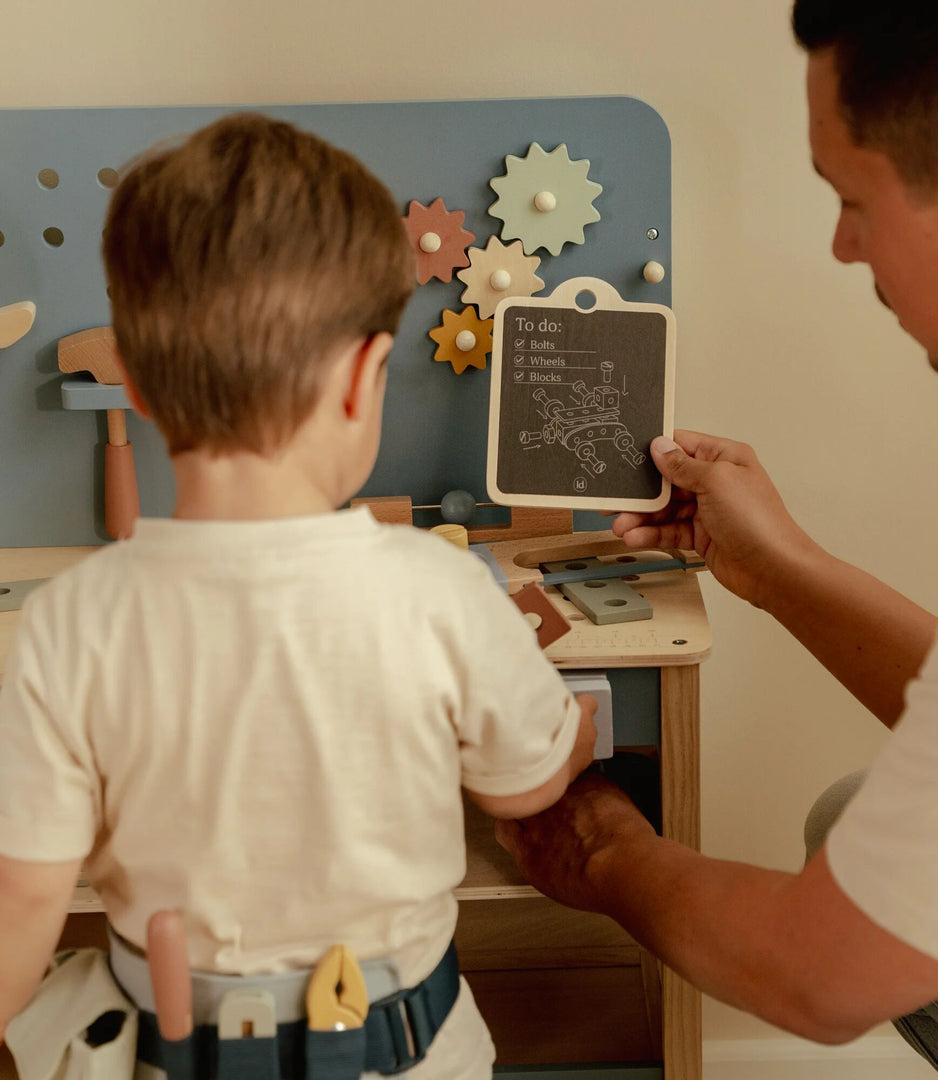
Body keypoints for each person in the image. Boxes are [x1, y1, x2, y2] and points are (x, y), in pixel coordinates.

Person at [495, 2, 938, 1078]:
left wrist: (608, 853)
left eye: (853, 201)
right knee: (856, 811)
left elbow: (819, 979)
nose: (842, 244)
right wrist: (785, 569)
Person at [0, 113, 597, 1078]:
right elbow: (521, 786)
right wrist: (567, 734)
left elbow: (20, 903)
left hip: (165, 1050)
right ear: (367, 378)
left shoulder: (69, 621)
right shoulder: (440, 588)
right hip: (401, 1051)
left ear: (139, 389)